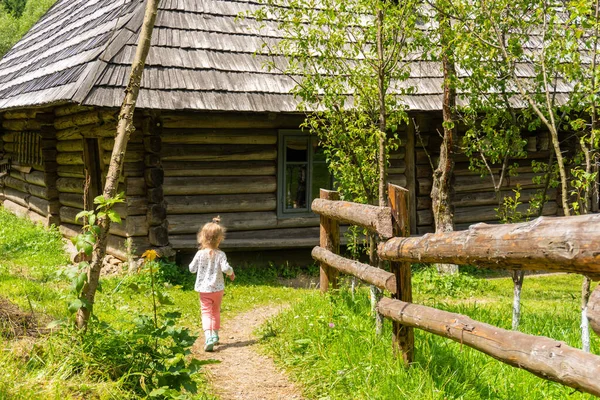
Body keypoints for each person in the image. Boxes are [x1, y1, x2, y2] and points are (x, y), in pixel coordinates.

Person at [189, 216, 235, 352]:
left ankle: (208, 337)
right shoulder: (221, 254)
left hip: (204, 290)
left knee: (206, 313)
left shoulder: (199, 254)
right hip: (218, 289)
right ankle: (215, 334)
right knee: (215, 311)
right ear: (220, 239)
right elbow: (226, 268)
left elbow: (191, 269)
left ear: (202, 238)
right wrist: (231, 273)